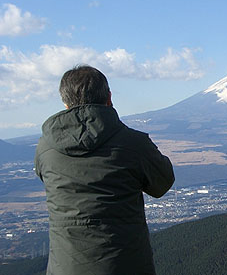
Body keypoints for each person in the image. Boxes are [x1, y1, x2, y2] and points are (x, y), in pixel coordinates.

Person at [35, 65, 174, 275]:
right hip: (126, 265)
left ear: (65, 102)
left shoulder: (46, 148)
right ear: (109, 97)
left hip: (65, 267)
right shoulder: (133, 143)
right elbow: (162, 183)